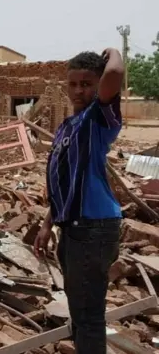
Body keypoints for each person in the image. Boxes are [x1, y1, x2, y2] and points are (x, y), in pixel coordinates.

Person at [34, 48, 124, 354]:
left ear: (98, 86)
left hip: (93, 228)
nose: (78, 90)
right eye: (72, 84)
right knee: (80, 311)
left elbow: (114, 74)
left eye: (87, 83)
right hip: (74, 228)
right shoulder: (67, 127)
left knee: (88, 318)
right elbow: (64, 181)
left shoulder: (98, 118)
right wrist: (48, 223)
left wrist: (113, 51)